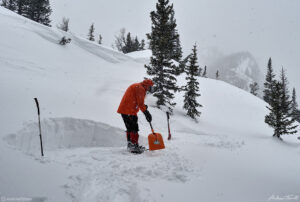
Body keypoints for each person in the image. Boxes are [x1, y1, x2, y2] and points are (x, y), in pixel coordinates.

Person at [117, 79, 154, 153]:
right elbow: (140, 103)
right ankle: (134, 146)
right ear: (147, 86)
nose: (151, 89)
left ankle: (131, 145)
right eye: (150, 87)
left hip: (125, 110)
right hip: (129, 110)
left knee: (130, 128)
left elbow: (137, 101)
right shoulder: (140, 88)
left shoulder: (138, 86)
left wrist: (144, 107)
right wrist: (147, 113)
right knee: (134, 128)